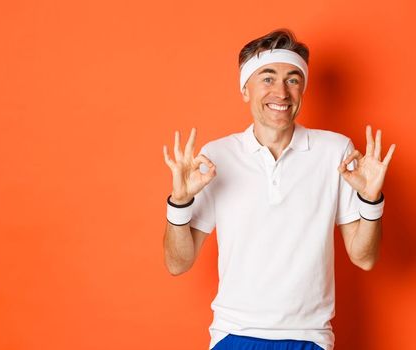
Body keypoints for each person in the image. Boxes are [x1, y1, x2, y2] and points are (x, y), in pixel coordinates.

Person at [161, 29, 396, 350]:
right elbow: (178, 263)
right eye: (268, 79)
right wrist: (180, 203)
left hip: (308, 337)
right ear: (245, 89)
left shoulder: (335, 152)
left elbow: (364, 258)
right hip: (234, 334)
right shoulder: (217, 157)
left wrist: (371, 201)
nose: (281, 92)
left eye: (293, 79)